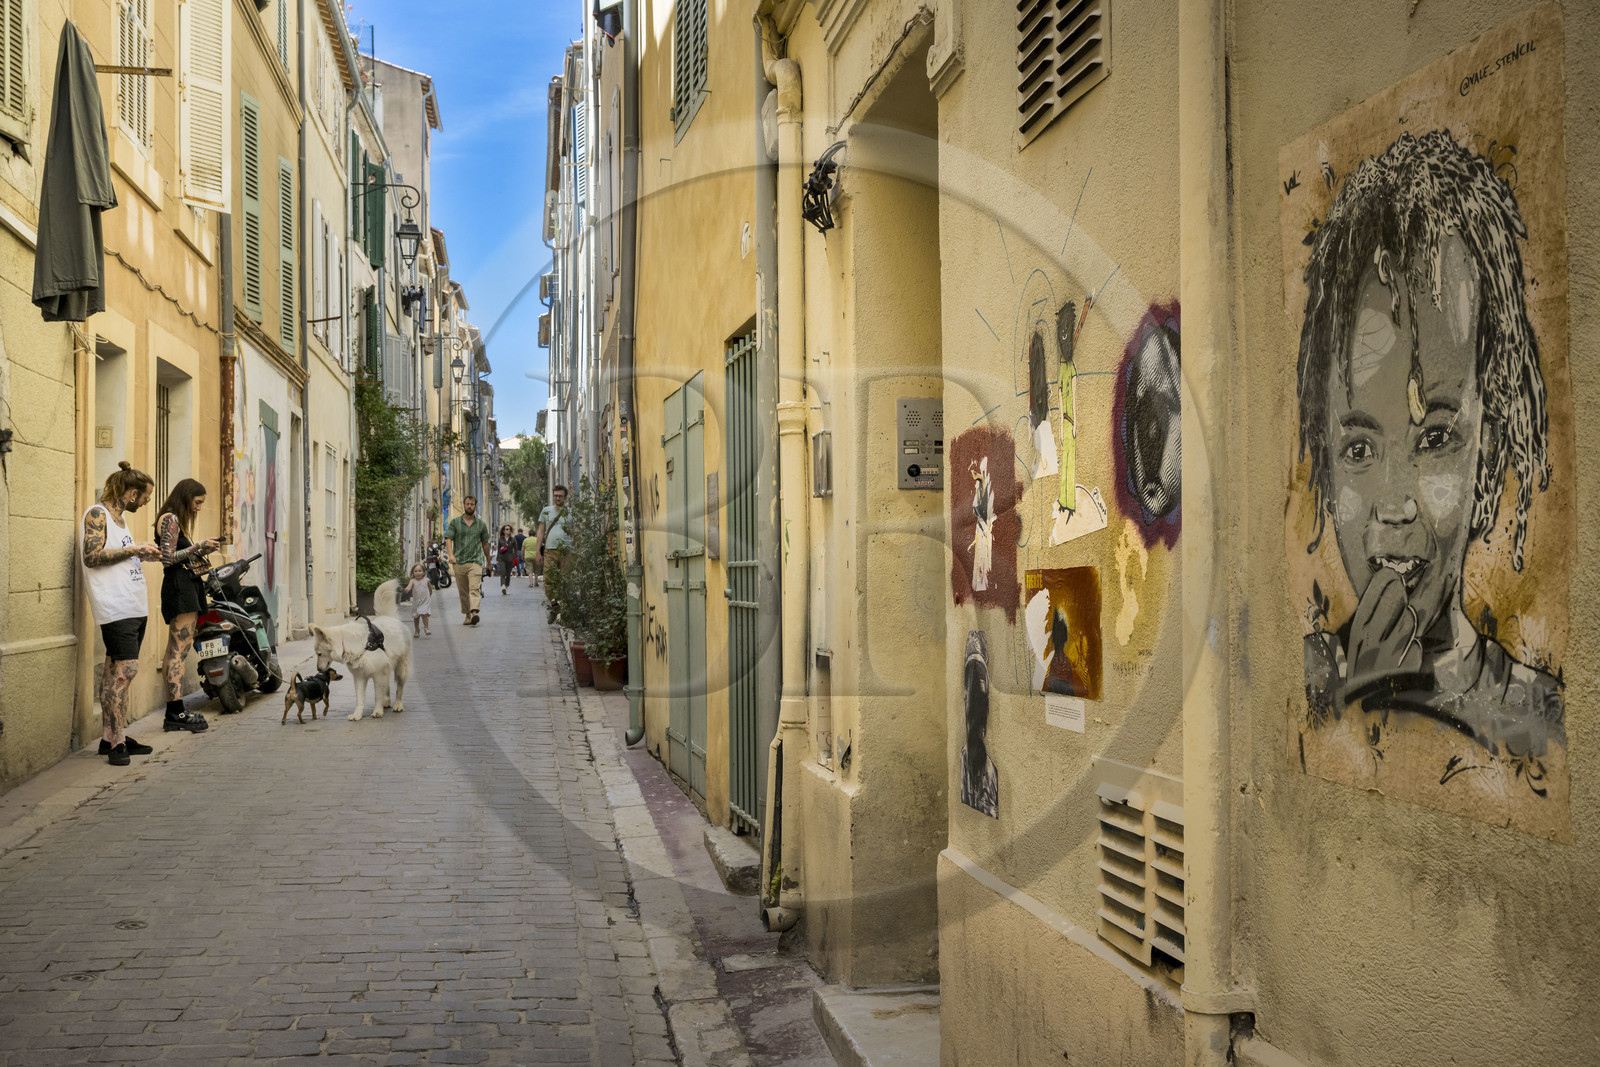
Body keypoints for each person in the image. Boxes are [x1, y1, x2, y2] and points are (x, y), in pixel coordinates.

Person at [1296, 129, 1561, 763]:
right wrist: (1353, 697)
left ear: (1490, 456)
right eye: (1359, 449)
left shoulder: (1536, 722)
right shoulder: (1313, 689)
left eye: (1435, 438)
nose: (1394, 505)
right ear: (1328, 475)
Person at [79, 462, 164, 766]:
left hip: (132, 606)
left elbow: (116, 557)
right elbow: (91, 556)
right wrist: (133, 550)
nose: (146, 503)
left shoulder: (119, 520)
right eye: (144, 497)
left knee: (112, 672)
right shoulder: (97, 514)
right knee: (125, 673)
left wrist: (141, 554)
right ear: (130, 493)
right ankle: (117, 742)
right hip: (116, 609)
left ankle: (108, 737)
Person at [154, 479, 217, 732]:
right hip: (179, 587)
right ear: (187, 497)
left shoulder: (175, 520)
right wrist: (198, 546)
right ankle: (175, 712)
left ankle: (175, 709)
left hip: (186, 585)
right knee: (178, 650)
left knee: (178, 649)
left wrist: (200, 549)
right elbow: (168, 558)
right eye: (198, 502)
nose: (199, 507)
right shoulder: (169, 518)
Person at [443, 494, 492, 625]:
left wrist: (488, 562)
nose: (469, 506)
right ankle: (467, 615)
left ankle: (475, 612)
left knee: (474, 588)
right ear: (464, 505)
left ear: (475, 506)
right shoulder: (455, 522)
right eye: (467, 504)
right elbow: (449, 539)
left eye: (472, 504)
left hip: (475, 561)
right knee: (463, 592)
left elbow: (485, 544)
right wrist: (451, 555)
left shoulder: (481, 525)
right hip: (459, 561)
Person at [535, 485, 570, 618]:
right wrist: (538, 552)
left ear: (565, 497)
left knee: (566, 581)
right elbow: (541, 532)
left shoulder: (571, 512)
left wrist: (578, 550)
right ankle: (555, 605)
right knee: (548, 581)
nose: (557, 498)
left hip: (567, 551)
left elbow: (577, 532)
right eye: (555, 495)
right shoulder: (546, 511)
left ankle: (566, 612)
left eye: (560, 496)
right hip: (550, 550)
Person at [405, 562, 432, 637]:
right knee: (416, 617)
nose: (418, 573)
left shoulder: (427, 580)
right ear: (413, 573)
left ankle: (426, 628)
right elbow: (409, 587)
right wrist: (407, 589)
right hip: (416, 602)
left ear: (423, 572)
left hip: (425, 601)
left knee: (424, 614)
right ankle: (417, 630)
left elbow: (430, 589)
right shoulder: (412, 581)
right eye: (416, 571)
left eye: (420, 571)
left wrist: (429, 595)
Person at [495, 524, 516, 594]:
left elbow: (516, 549)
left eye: (509, 529)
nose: (508, 530)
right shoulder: (500, 539)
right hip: (502, 558)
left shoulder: (513, 539)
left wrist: (514, 557)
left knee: (508, 574)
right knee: (502, 572)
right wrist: (497, 559)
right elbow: (498, 549)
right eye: (507, 529)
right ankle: (503, 586)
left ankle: (506, 587)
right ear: (504, 531)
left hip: (510, 559)